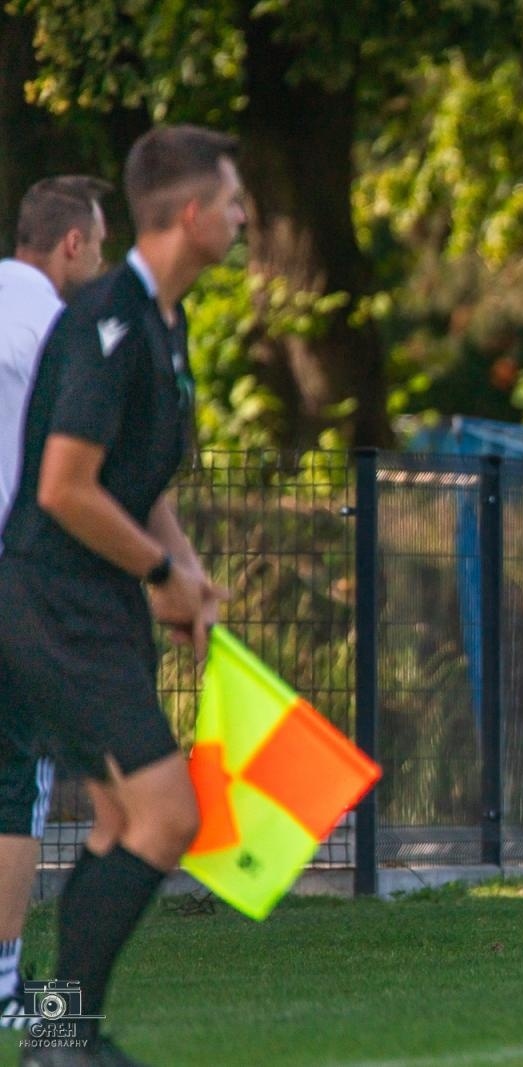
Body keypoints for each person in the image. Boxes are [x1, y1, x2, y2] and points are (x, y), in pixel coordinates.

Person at [0, 125, 242, 1066]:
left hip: (100, 608)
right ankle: (62, 1042)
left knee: (120, 823)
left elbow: (139, 483)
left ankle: (64, 1038)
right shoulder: (108, 318)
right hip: (54, 608)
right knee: (168, 815)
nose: (243, 218)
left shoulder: (164, 323)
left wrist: (185, 573)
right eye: (233, 203)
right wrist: (160, 573)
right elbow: (65, 487)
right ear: (191, 213)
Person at [0, 176, 111, 1029]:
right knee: (14, 780)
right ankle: (6, 985)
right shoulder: (56, 332)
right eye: (100, 246)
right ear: (72, 243)